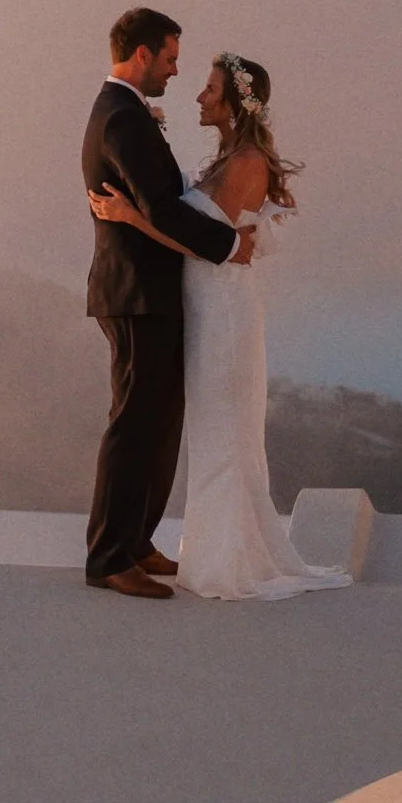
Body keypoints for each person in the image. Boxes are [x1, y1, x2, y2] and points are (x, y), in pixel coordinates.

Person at [89, 51, 352, 600]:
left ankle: (227, 559)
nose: (200, 96)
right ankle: (199, 548)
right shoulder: (227, 157)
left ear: (234, 102)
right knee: (207, 432)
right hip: (203, 309)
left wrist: (131, 217)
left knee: (222, 434)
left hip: (222, 314)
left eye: (210, 90)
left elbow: (211, 247)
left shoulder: (247, 161)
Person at [79, 8, 251, 599]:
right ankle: (107, 557)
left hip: (151, 292)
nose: (176, 72)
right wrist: (229, 245)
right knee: (133, 423)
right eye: (171, 58)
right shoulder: (121, 119)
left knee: (159, 419)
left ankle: (136, 542)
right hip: (134, 293)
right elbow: (158, 207)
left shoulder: (129, 115)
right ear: (142, 54)